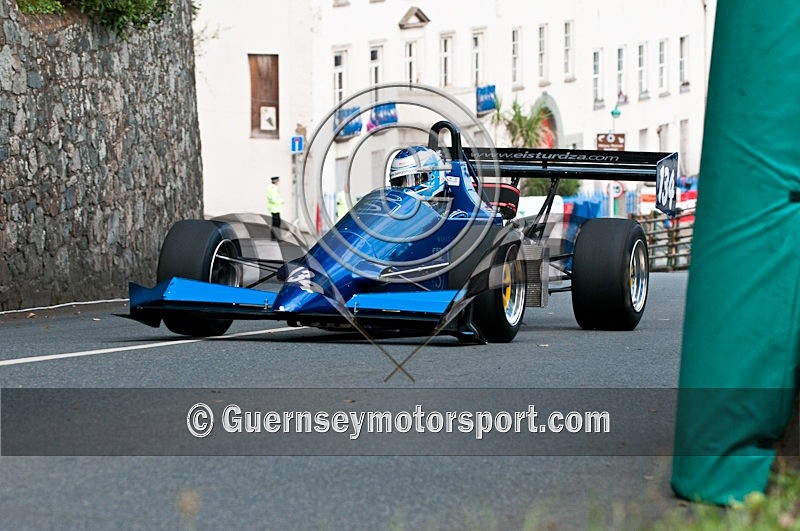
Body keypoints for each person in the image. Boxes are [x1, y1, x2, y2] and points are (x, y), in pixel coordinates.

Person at [266, 175, 283, 240]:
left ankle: (274, 237)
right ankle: (277, 237)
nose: (278, 182)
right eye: (277, 181)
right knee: (276, 223)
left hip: (275, 208)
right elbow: (273, 198)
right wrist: (280, 201)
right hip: (274, 208)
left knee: (275, 223)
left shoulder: (272, 188)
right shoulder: (272, 188)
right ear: (275, 181)